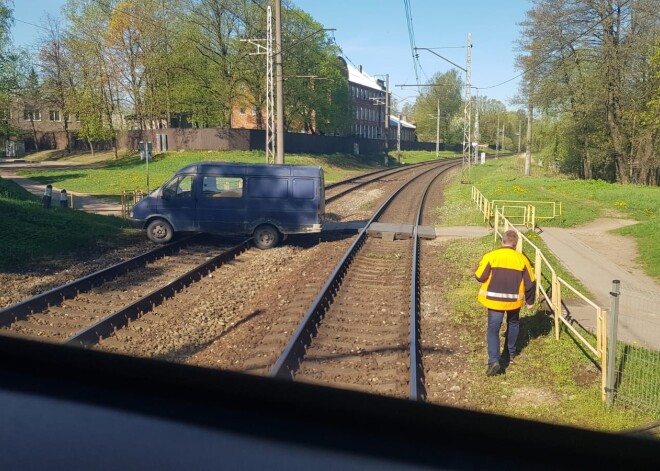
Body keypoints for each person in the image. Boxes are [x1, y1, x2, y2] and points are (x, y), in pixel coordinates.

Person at [474, 230, 536, 376]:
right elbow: (530, 282)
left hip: (494, 301)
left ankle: (494, 360)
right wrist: (530, 301)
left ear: (503, 241)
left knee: (493, 329)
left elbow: (480, 277)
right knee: (513, 323)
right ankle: (511, 352)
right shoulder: (522, 259)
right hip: (514, 301)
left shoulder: (491, 256)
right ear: (516, 244)